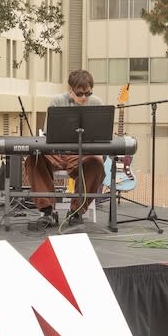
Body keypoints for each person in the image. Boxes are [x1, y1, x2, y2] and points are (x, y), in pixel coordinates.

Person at [24, 68, 106, 228]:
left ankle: (76, 212)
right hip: (57, 152)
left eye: (87, 94)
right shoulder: (57, 101)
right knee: (34, 159)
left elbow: (101, 134)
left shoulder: (97, 103)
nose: (84, 97)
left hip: (82, 154)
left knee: (96, 164)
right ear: (71, 90)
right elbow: (49, 133)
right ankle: (47, 211)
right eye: (80, 93)